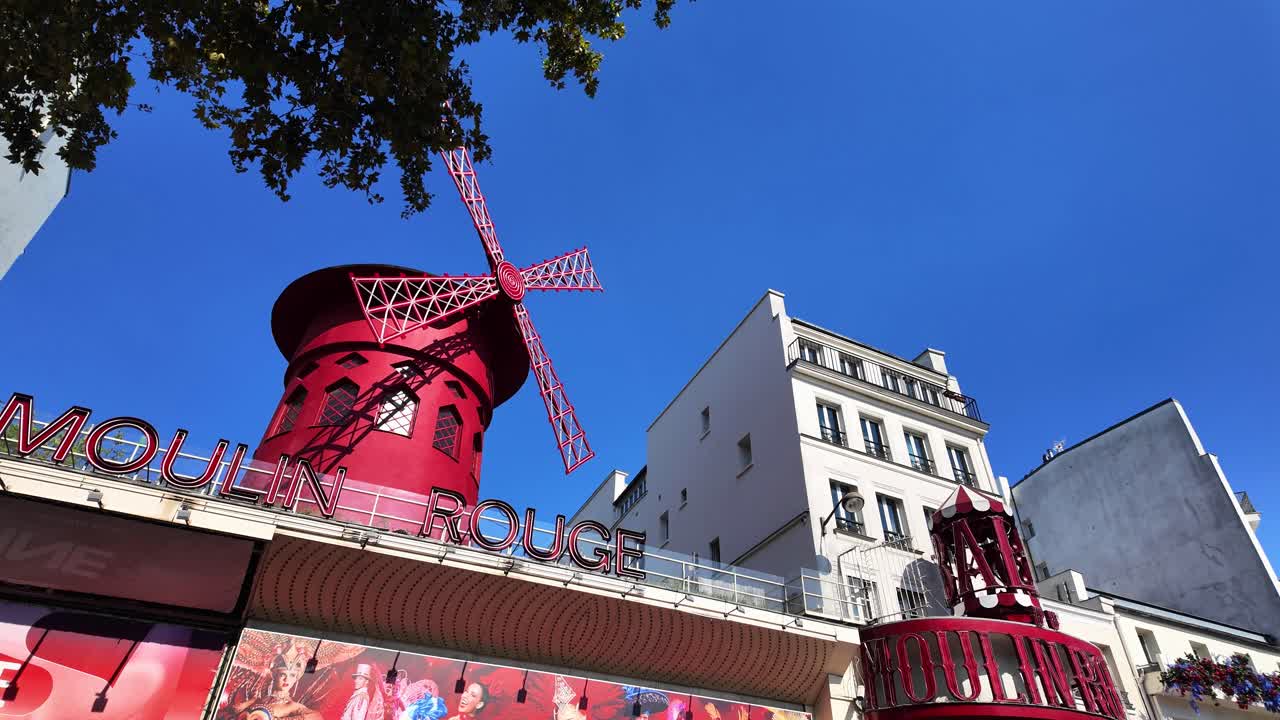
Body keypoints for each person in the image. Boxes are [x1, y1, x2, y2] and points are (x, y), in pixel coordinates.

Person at [228, 642, 323, 720]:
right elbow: (234, 711)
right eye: (282, 674)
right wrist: (250, 703)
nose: (287, 679)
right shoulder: (258, 700)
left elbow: (317, 717)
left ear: (295, 679)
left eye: (292, 676)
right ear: (275, 675)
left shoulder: (293, 706)